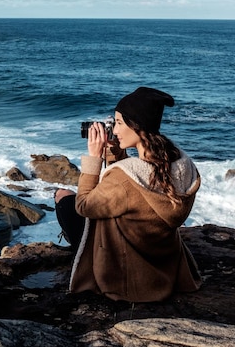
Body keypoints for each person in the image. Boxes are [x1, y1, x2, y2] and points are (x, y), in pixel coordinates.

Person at [54, 86, 202, 303]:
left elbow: (84, 205)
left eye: (120, 123)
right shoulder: (181, 165)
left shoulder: (124, 181)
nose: (114, 130)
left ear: (137, 126)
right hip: (162, 266)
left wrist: (94, 158)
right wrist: (115, 153)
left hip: (125, 276)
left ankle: (80, 251)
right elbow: (133, 190)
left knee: (63, 197)